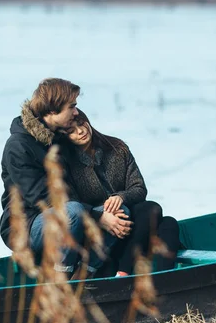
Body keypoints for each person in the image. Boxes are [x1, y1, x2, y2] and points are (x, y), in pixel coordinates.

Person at [0, 78, 118, 276]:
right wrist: (97, 217)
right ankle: (59, 282)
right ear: (52, 111)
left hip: (73, 213)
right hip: (27, 225)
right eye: (71, 107)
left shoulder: (60, 137)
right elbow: (42, 198)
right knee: (72, 212)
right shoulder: (18, 147)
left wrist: (113, 202)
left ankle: (85, 275)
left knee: (119, 211)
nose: (76, 112)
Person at [63, 109, 180, 276]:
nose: (80, 131)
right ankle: (123, 271)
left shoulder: (117, 148)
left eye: (81, 124)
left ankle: (162, 282)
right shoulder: (67, 163)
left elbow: (139, 188)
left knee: (165, 221)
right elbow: (72, 205)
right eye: (71, 131)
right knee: (146, 211)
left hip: (132, 226)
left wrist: (120, 197)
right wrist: (103, 215)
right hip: (100, 233)